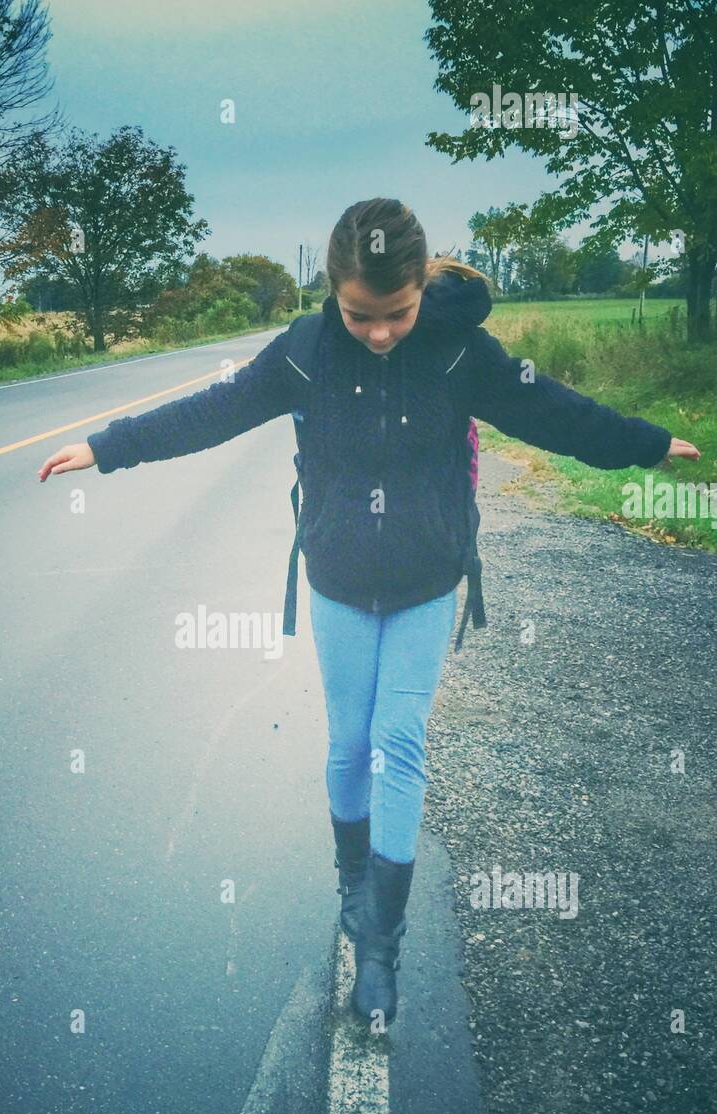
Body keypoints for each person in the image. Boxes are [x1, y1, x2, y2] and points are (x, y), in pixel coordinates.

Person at [38, 197, 699, 1029]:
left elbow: (550, 409)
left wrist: (642, 442)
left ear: (420, 286)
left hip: (427, 577)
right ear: (332, 294)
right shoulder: (305, 352)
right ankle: (355, 882)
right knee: (349, 741)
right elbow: (213, 410)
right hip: (339, 579)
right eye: (360, 315)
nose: (380, 332)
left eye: (395, 313)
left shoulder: (459, 349)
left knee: (397, 741)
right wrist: (107, 447)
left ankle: (379, 942)